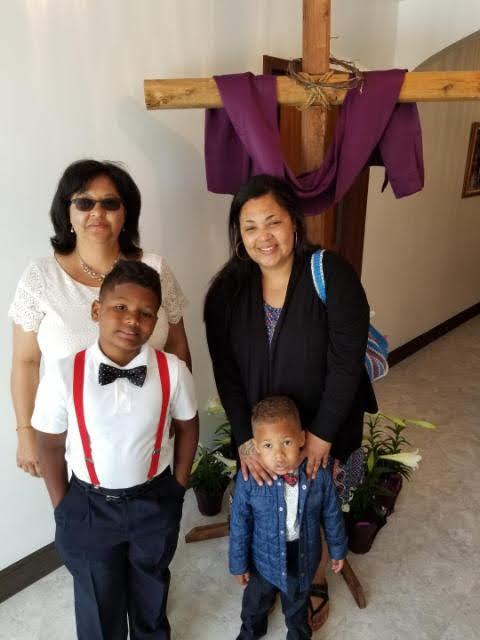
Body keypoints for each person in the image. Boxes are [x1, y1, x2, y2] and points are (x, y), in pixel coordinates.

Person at [204, 174, 377, 629]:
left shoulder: (329, 273)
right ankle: (269, 574)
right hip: (264, 435)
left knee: (314, 505)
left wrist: (321, 436)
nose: (263, 236)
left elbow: (346, 362)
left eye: (273, 222)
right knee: (268, 505)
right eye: (250, 227)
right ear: (239, 235)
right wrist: (245, 439)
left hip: (326, 426)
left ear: (294, 223)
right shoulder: (226, 291)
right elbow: (226, 373)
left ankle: (313, 579)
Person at [32, 260, 199, 640]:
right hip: (89, 505)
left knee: (151, 586)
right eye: (120, 307)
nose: (132, 320)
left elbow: (188, 427)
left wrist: (177, 487)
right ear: (97, 310)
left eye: (146, 313)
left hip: (154, 499)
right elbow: (49, 443)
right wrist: (63, 506)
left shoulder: (172, 370)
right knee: (97, 596)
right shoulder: (63, 374)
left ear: (156, 321)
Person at [9, 159, 191, 478]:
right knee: (74, 510)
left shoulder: (155, 270)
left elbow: (177, 346)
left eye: (110, 203)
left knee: (157, 508)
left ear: (126, 213)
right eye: (84, 202)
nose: (97, 212)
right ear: (67, 212)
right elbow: (26, 362)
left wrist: (179, 412)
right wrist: (26, 432)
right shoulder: (41, 276)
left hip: (149, 438)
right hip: (68, 444)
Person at [230, 396, 347, 640]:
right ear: (255, 446)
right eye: (268, 445)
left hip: (301, 556)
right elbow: (240, 524)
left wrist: (338, 550)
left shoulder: (318, 476)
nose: (279, 455)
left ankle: (298, 633)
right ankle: (251, 631)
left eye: (286, 442)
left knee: (296, 605)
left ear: (302, 438)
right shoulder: (249, 480)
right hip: (262, 558)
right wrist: (238, 563)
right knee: (254, 603)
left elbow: (332, 515)